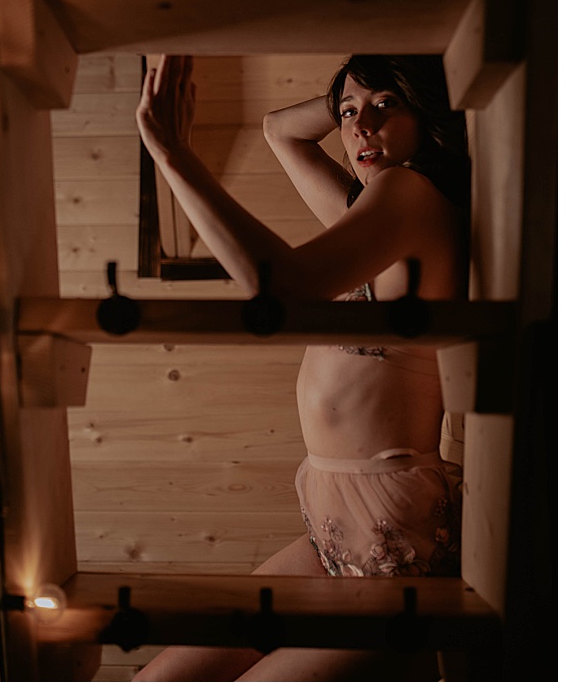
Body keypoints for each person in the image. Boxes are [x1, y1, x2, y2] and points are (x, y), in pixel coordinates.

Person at [131, 55, 467, 682]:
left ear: (427, 112)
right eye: (348, 112)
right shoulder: (371, 212)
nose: (360, 126)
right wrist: (362, 86)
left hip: (394, 548)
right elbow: (279, 129)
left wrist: (173, 154)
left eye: (386, 105)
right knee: (155, 683)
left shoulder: (409, 192)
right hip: (334, 531)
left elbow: (284, 289)